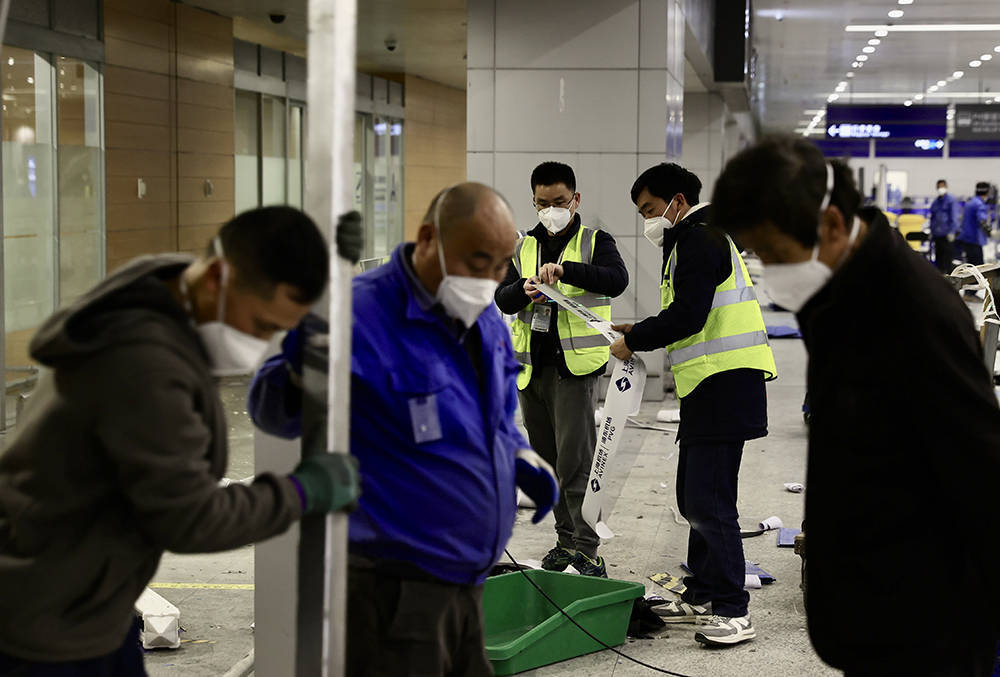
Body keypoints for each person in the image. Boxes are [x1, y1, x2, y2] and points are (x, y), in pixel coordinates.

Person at [0, 206, 361, 674]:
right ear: (216, 278)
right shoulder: (143, 365)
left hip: (84, 602)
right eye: (262, 326)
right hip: (47, 623)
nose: (261, 343)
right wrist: (298, 492)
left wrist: (333, 273)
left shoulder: (158, 295)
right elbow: (190, 518)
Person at [711, 134, 1000, 676]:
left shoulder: (913, 313)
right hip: (871, 611)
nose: (770, 271)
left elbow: (982, 472)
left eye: (773, 253)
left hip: (926, 627)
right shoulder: (841, 290)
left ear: (832, 226)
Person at [252, 183, 558, 676]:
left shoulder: (483, 318)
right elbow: (272, 414)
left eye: (501, 266)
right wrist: (297, 365)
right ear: (426, 239)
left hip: (468, 584)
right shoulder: (357, 315)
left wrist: (517, 457)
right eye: (477, 261)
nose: (489, 279)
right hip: (392, 596)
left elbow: (494, 415)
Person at [608, 162, 776, 647]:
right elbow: (685, 310)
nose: (648, 220)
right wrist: (636, 329)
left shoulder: (697, 239)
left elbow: (689, 316)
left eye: (650, 209)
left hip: (724, 385)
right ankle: (704, 591)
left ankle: (733, 611)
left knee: (709, 500)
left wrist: (635, 341)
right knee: (695, 494)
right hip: (714, 386)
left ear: (677, 201)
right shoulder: (703, 236)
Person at [494, 161, 628, 578]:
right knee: (548, 463)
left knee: (576, 463)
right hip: (531, 370)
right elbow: (503, 297)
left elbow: (616, 280)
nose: (550, 209)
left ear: (575, 200)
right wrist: (524, 289)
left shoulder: (594, 241)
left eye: (559, 202)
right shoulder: (523, 246)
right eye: (542, 203)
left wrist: (566, 271)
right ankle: (564, 542)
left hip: (573, 370)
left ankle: (587, 549)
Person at [957, 181, 992, 267]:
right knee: (979, 269)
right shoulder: (980, 204)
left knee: (970, 267)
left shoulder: (970, 202)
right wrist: (990, 233)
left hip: (966, 239)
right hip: (974, 241)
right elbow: (982, 222)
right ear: (987, 192)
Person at [929, 179, 960, 272]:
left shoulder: (951, 201)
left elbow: (954, 217)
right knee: (939, 261)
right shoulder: (935, 202)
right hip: (937, 236)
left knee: (947, 261)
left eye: (942, 187)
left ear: (946, 187)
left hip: (947, 236)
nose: (940, 189)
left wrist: (952, 232)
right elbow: (932, 218)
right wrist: (931, 231)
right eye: (938, 187)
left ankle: (950, 283)